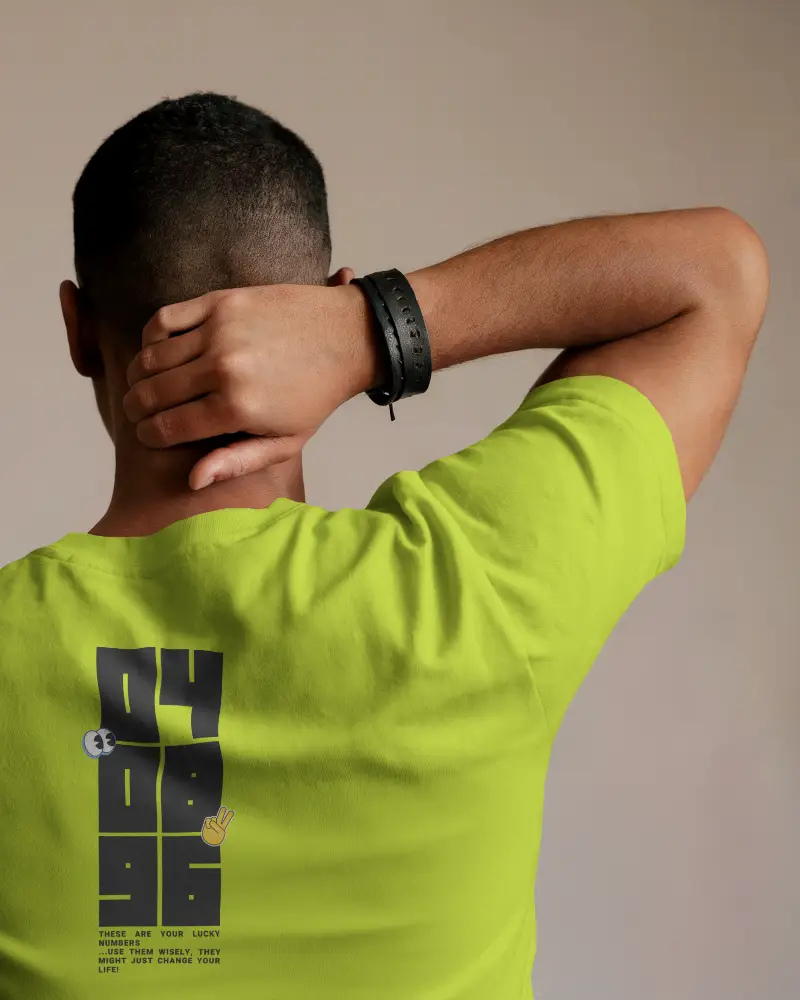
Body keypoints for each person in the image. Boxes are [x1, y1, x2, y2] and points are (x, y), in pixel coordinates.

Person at [0, 92, 768, 1000]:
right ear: (324, 302)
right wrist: (377, 329)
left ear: (78, 331)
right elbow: (716, 276)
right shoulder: (472, 589)